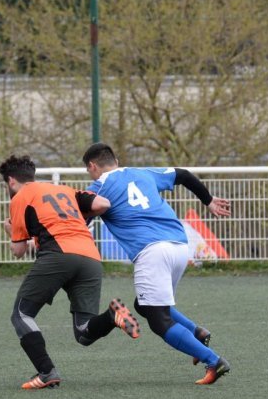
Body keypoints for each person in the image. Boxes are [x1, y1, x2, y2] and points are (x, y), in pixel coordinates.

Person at [81, 143, 232, 385]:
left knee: (160, 321)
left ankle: (213, 360)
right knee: (144, 305)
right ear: (116, 159)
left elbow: (83, 217)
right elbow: (182, 175)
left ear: (92, 166)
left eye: (89, 170)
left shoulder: (98, 188)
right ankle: (197, 333)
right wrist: (209, 200)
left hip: (152, 251)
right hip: (180, 245)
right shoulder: (144, 173)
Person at [0, 154, 141, 390]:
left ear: (12, 181)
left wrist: (8, 229)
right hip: (90, 257)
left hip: (58, 256)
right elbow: (102, 204)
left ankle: (46, 372)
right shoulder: (64, 190)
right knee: (84, 332)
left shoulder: (19, 198)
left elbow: (18, 250)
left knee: (21, 315)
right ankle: (111, 316)